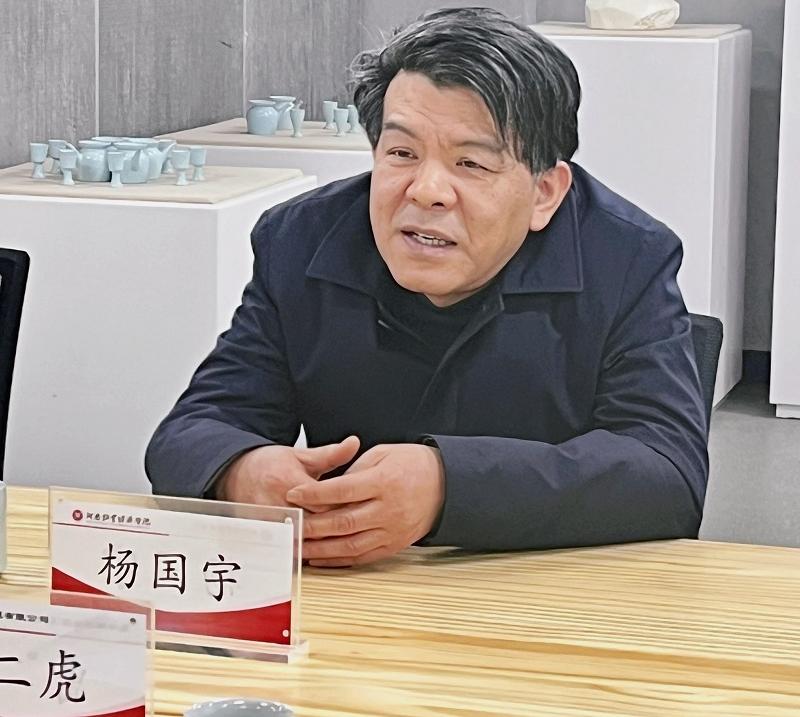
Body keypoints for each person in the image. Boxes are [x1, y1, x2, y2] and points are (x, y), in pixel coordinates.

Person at [146, 7, 708, 567]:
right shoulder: (300, 239)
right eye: (402, 154)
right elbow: (194, 430)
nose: (427, 191)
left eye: (471, 163)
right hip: (355, 587)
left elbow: (668, 472)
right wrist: (242, 471)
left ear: (544, 193)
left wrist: (448, 486)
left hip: (547, 586)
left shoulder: (627, 258)